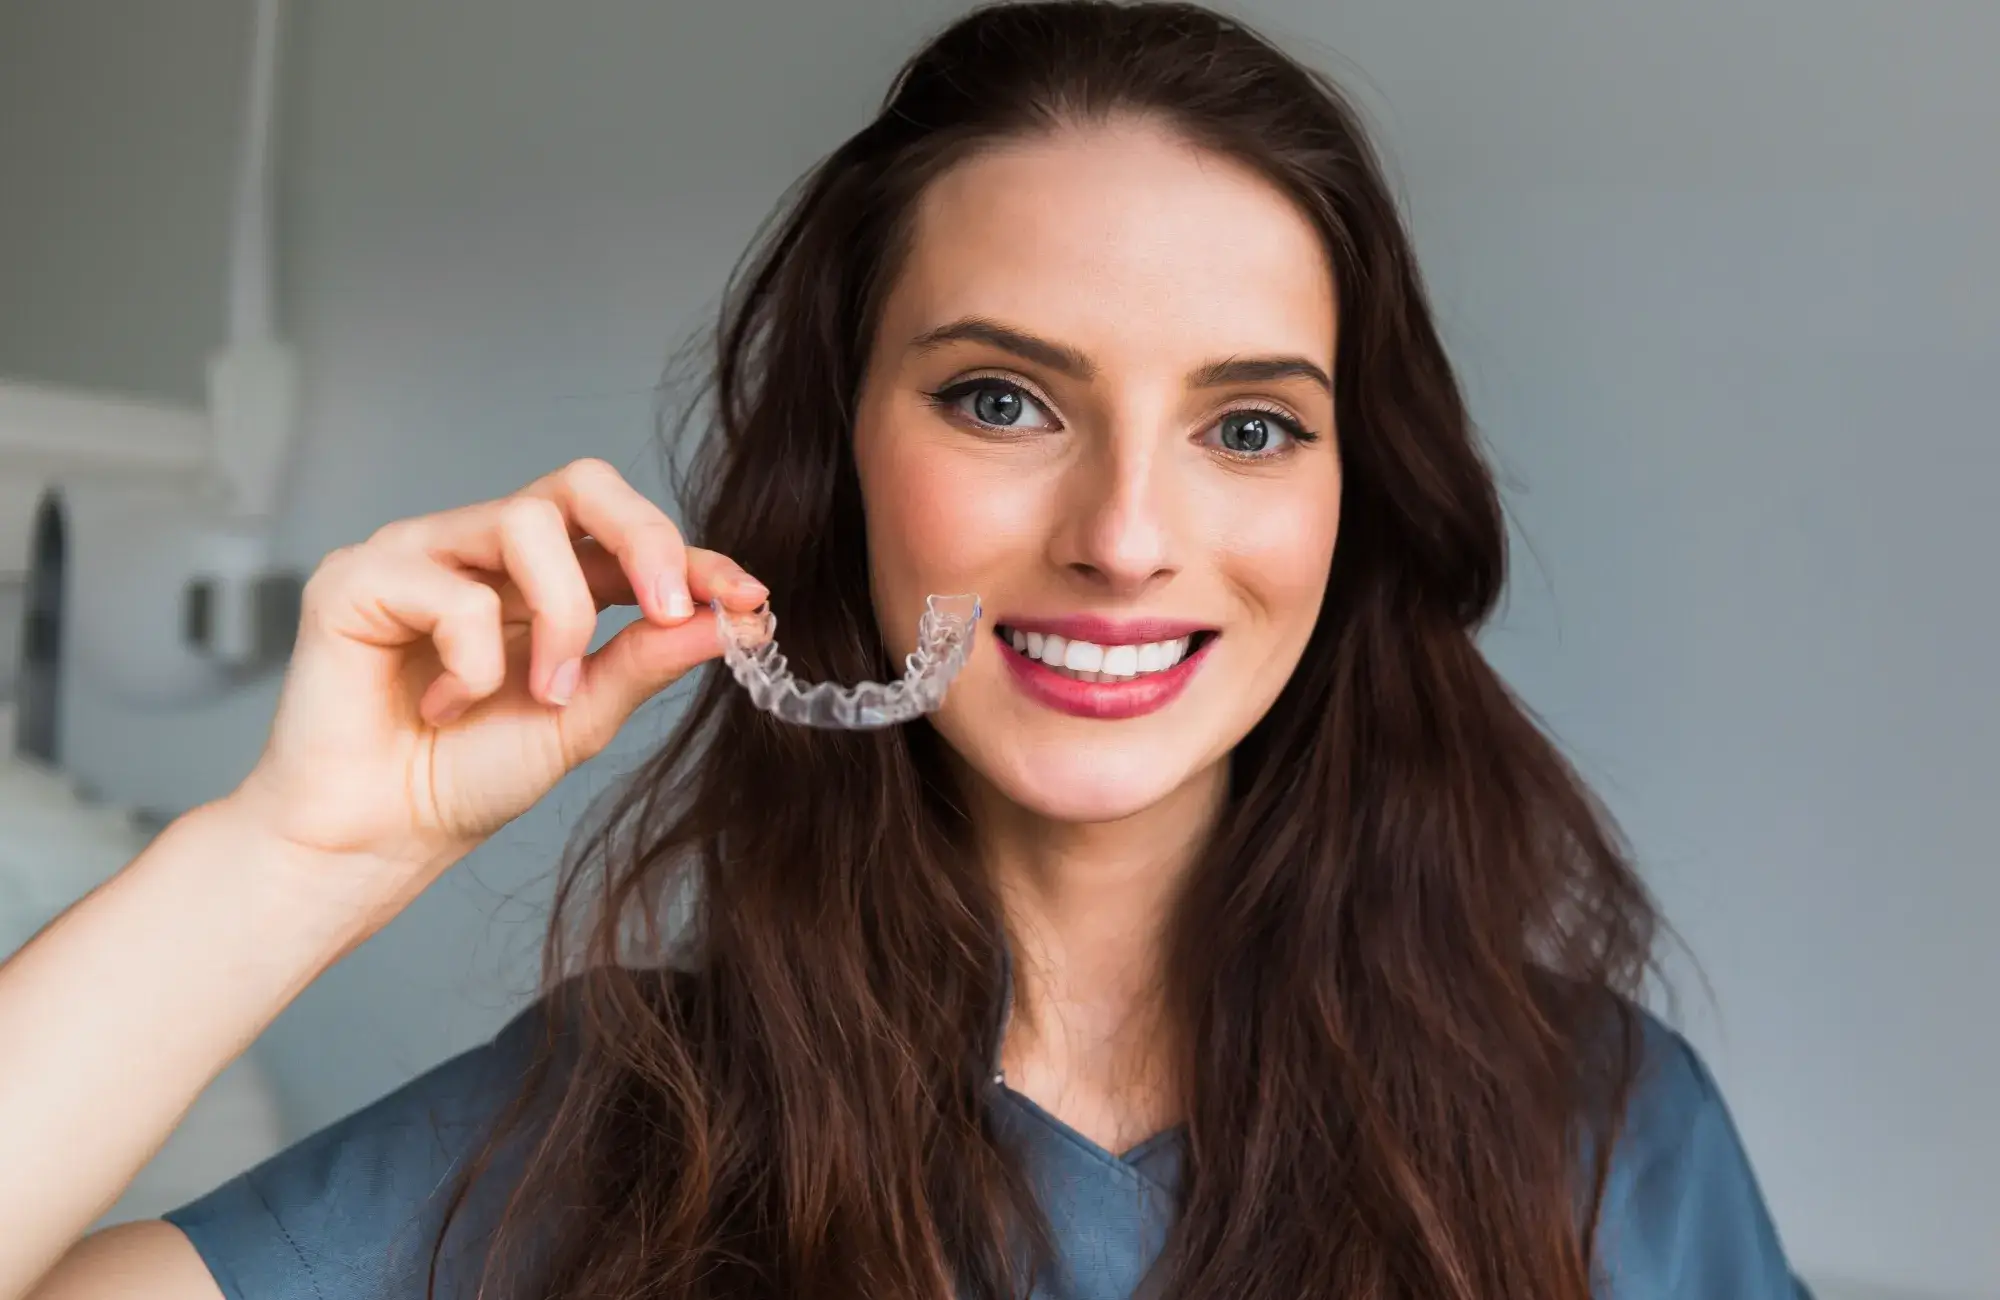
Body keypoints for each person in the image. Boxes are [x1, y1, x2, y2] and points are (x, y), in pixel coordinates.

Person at [4, 3, 1812, 1298]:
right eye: (1004, 399)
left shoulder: (1611, 1136)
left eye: (1248, 427)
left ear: (1357, 506)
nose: (1122, 533)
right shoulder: (613, 1130)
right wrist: (294, 858)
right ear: (841, 462)